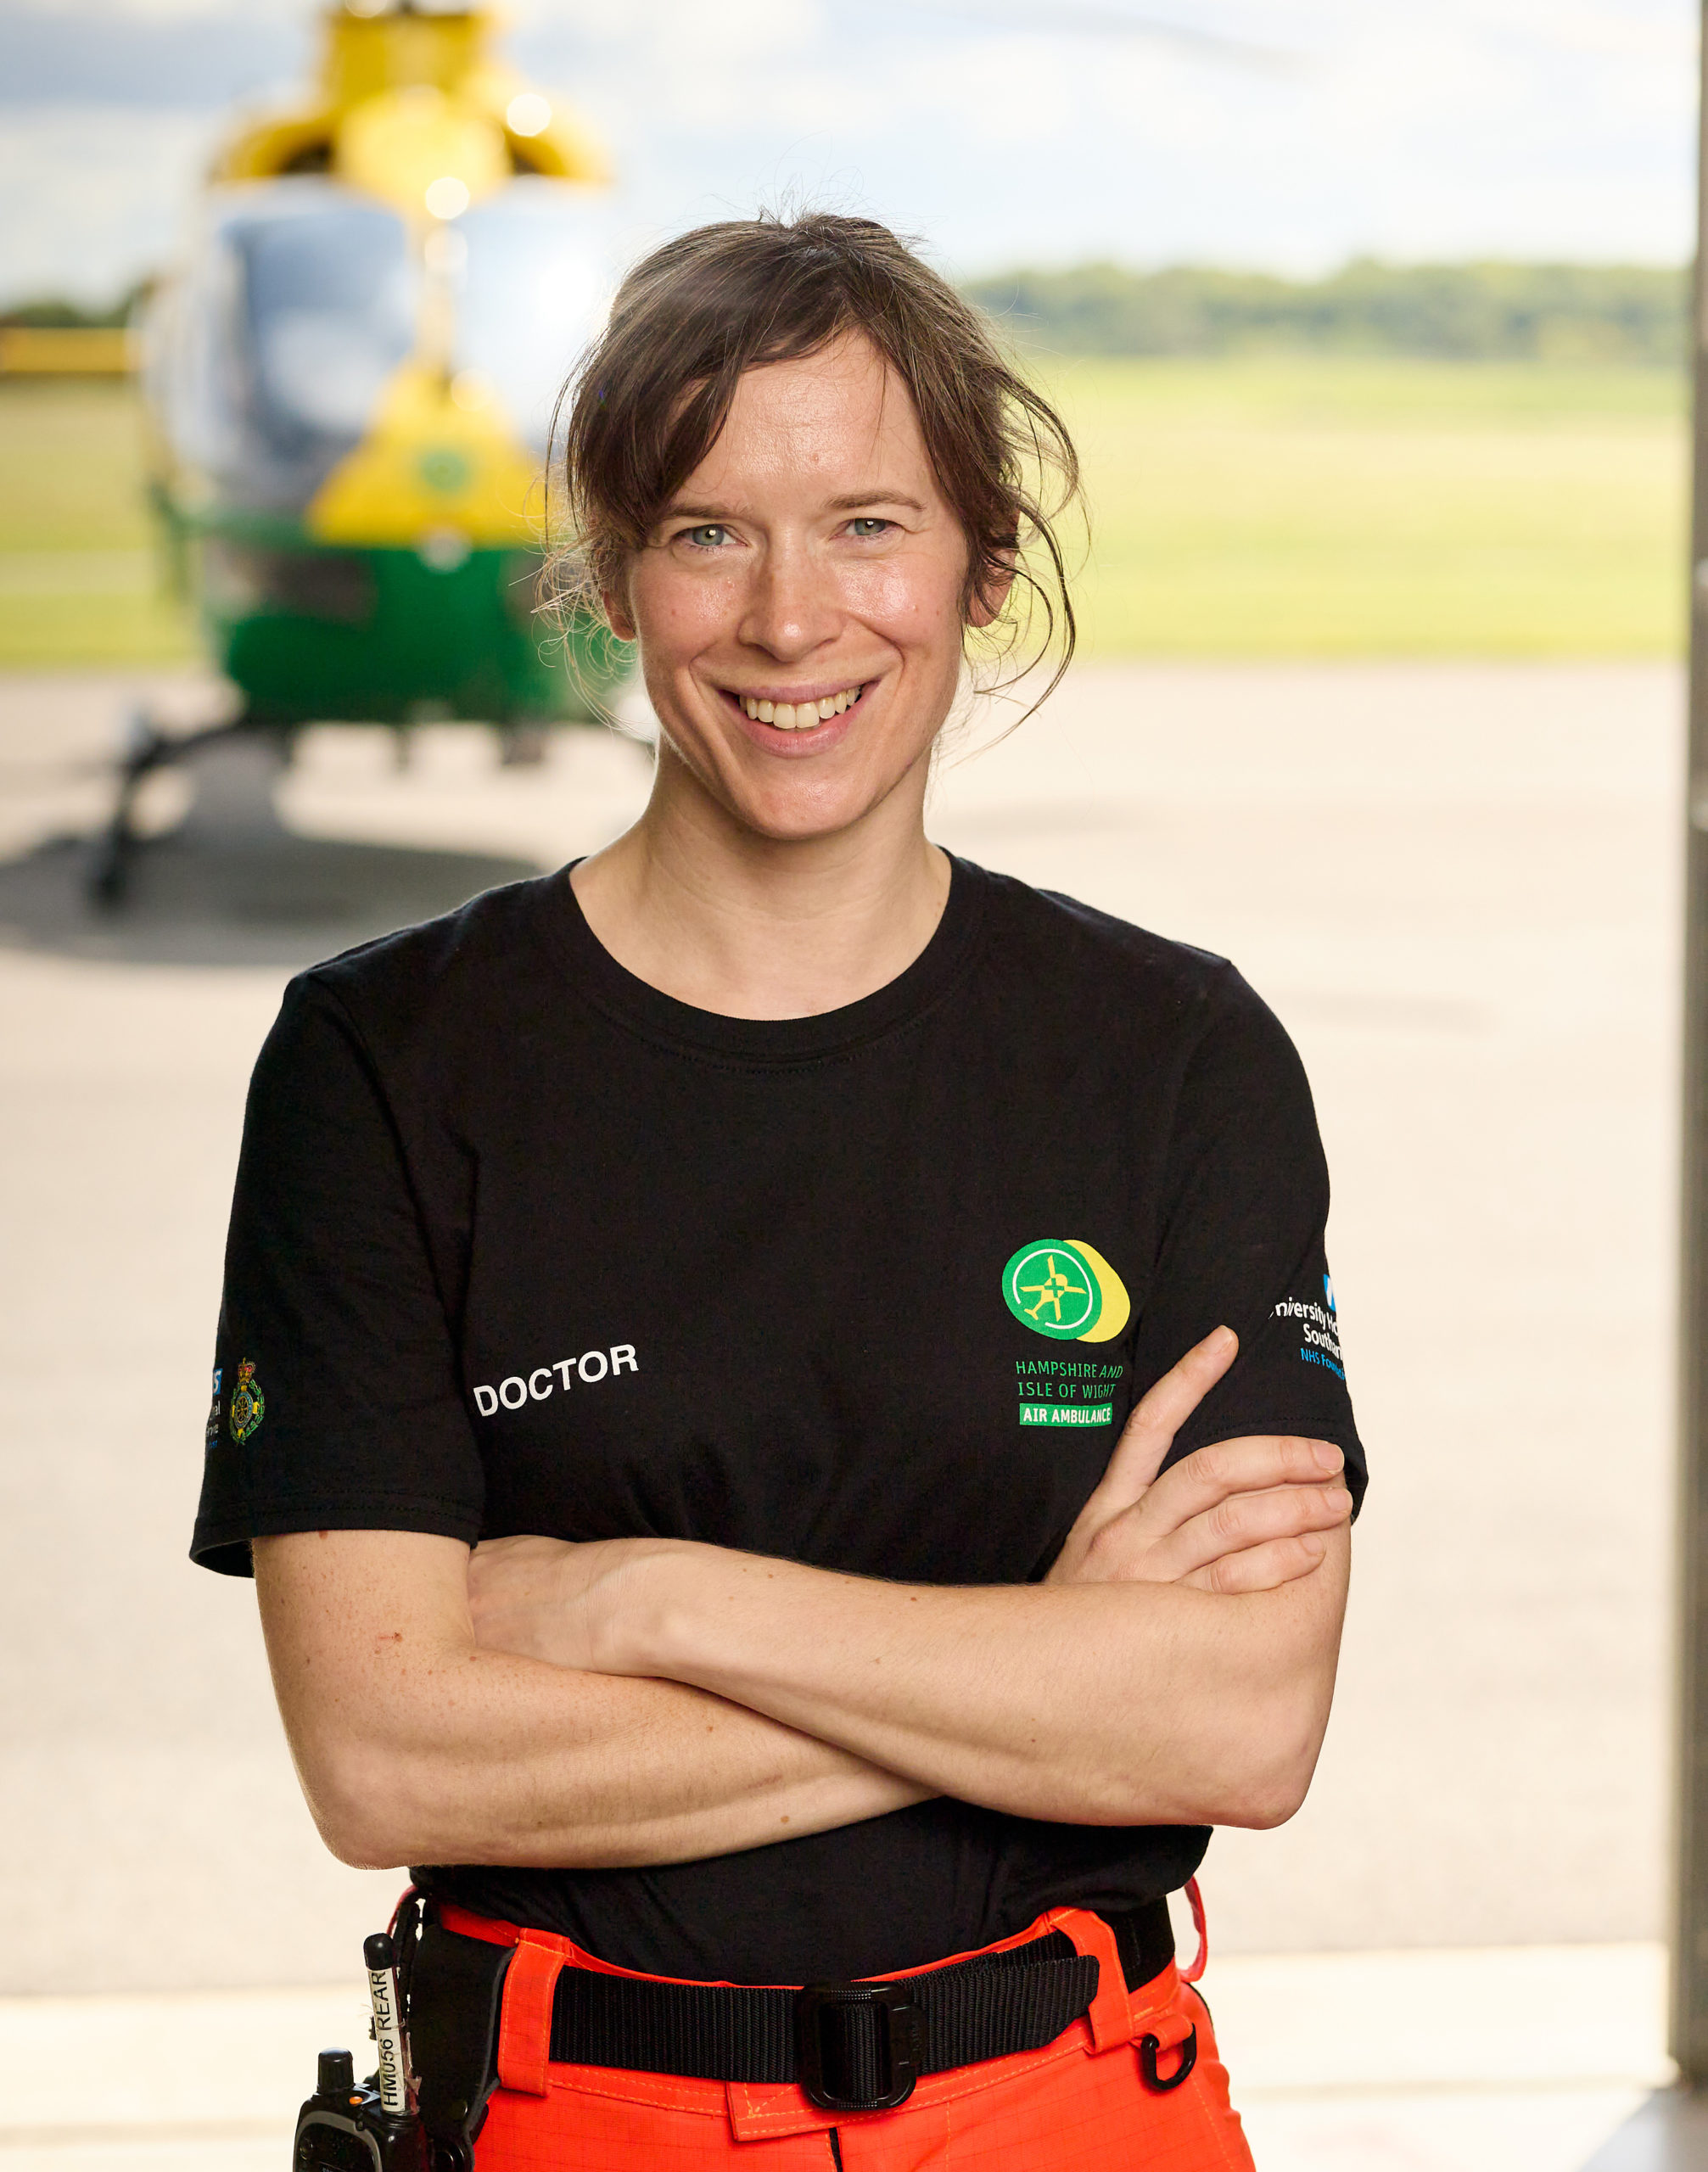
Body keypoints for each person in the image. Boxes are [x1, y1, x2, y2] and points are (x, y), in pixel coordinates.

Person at [193, 211, 1364, 2171]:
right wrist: (1041, 1662)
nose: (790, 619)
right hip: (573, 2114)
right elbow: (387, 1746)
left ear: (983, 568)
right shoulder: (381, 1064)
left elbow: (1235, 1725)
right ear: (615, 580)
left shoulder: (1173, 1054)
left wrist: (641, 1597)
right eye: (707, 530)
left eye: (868, 526)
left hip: (1074, 2105)